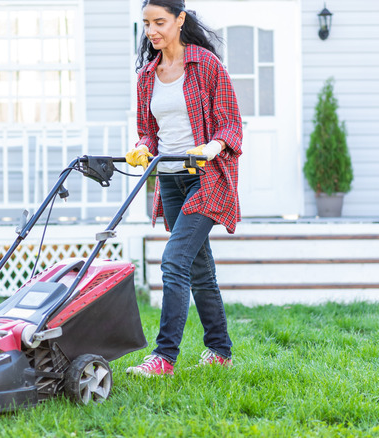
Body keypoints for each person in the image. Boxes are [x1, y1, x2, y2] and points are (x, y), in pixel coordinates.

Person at [125, 0, 243, 377]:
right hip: (170, 178)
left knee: (174, 261)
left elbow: (231, 124)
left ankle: (164, 358)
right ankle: (219, 350)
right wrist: (144, 147)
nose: (152, 31)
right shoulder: (147, 75)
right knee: (198, 268)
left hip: (207, 176)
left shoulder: (206, 65)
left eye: (159, 22)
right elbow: (149, 130)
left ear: (180, 20)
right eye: (146, 24)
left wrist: (212, 146)